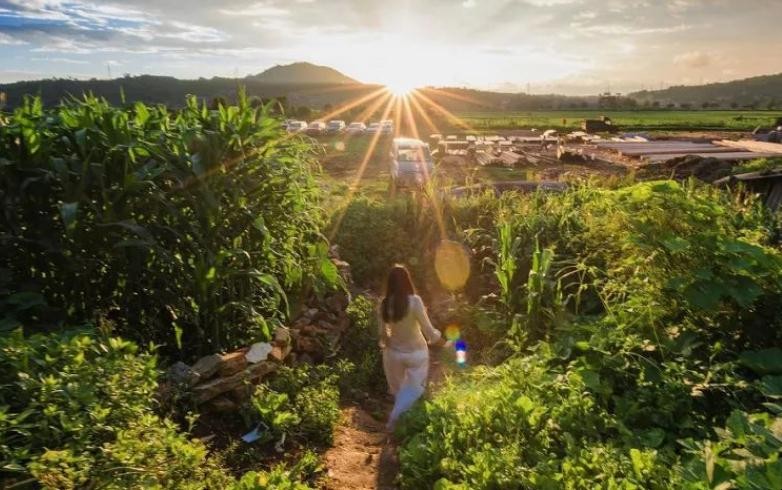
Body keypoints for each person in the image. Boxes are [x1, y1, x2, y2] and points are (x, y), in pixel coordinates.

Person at [378, 264, 448, 431]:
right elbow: (429, 331)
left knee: (399, 394)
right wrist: (445, 344)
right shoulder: (415, 301)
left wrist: (391, 346)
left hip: (393, 355)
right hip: (417, 354)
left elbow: (382, 335)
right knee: (412, 392)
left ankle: (399, 424)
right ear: (407, 281)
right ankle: (395, 424)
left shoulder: (384, 303)